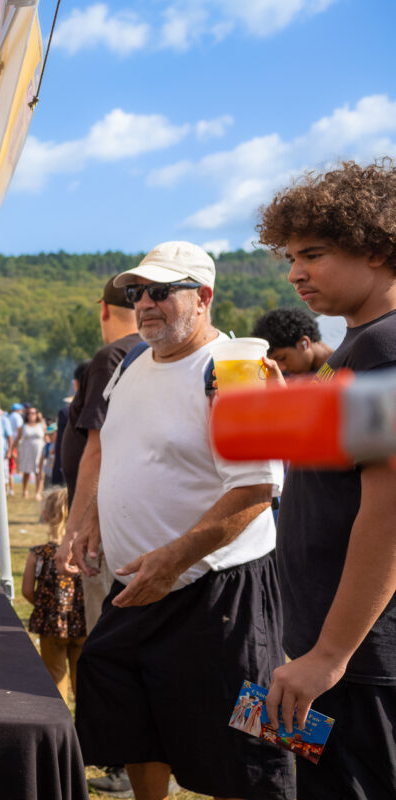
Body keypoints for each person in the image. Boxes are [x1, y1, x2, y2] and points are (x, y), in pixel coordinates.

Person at [65, 241, 294, 800]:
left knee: (255, 740)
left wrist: (174, 558)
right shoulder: (132, 362)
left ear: (204, 297)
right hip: (141, 585)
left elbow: (258, 487)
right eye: (136, 291)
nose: (144, 303)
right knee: (131, 707)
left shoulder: (236, 369)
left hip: (219, 589)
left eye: (162, 292)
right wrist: (84, 519)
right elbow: (106, 449)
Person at [255, 159, 396, 800]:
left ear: (375, 247)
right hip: (330, 649)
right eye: (289, 256)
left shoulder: (383, 350)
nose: (294, 273)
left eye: (313, 254)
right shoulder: (354, 348)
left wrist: (330, 656)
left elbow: (389, 512)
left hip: (358, 663)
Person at [54, 282, 139, 797]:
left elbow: (96, 449)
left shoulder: (113, 355)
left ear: (104, 310)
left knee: (105, 643)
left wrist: (75, 527)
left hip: (106, 526)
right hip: (122, 522)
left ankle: (121, 761)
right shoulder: (143, 353)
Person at [22, 487, 85, 702]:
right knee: (84, 680)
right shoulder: (86, 552)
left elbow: (27, 590)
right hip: (84, 623)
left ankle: (61, 728)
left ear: (47, 516)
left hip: (51, 625)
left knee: (55, 680)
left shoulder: (38, 554)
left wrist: (45, 606)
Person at [250, 306, 334, 376]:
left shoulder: (344, 368)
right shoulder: (292, 377)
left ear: (304, 343)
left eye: (282, 358)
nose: (280, 368)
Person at [12, 407, 46, 499]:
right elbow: (18, 438)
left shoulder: (41, 425)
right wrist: (12, 449)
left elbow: (46, 438)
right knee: (26, 471)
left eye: (33, 413)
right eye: (29, 413)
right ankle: (25, 491)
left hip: (39, 450)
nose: (31, 415)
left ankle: (38, 492)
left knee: (38, 471)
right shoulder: (23, 426)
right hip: (26, 450)